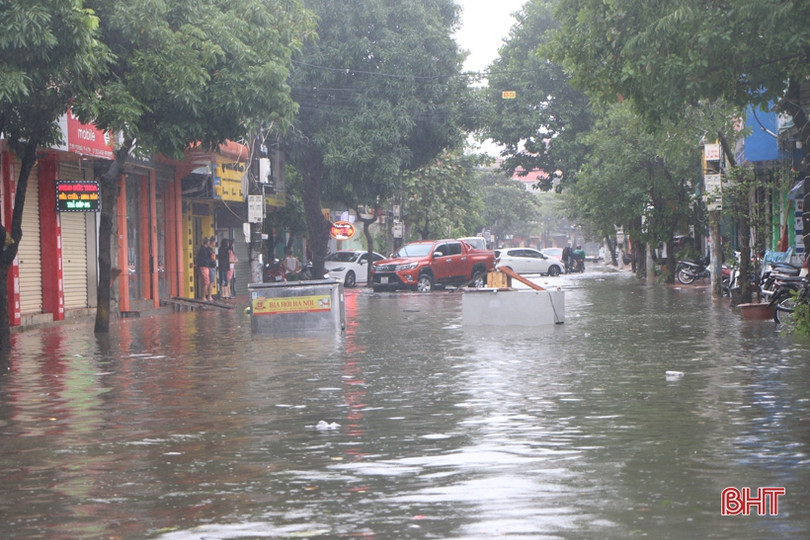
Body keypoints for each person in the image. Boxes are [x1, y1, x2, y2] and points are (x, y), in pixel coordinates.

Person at [196, 237, 216, 302]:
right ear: (207, 242)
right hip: (204, 266)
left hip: (206, 266)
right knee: (207, 282)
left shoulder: (205, 249)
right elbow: (206, 258)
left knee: (207, 282)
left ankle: (205, 297)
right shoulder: (204, 249)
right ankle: (204, 297)